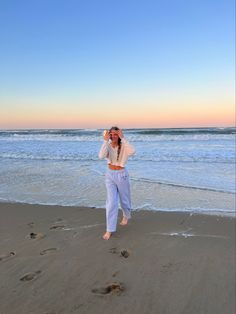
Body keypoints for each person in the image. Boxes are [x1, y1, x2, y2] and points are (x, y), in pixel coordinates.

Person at [98, 126, 136, 240]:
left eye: (116, 134)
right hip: (109, 175)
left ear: (118, 135)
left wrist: (123, 138)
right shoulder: (107, 145)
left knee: (124, 199)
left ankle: (126, 215)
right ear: (109, 135)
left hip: (121, 174)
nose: (113, 136)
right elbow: (101, 156)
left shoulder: (124, 145)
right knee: (111, 203)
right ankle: (109, 229)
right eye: (111, 134)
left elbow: (133, 151)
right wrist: (105, 141)